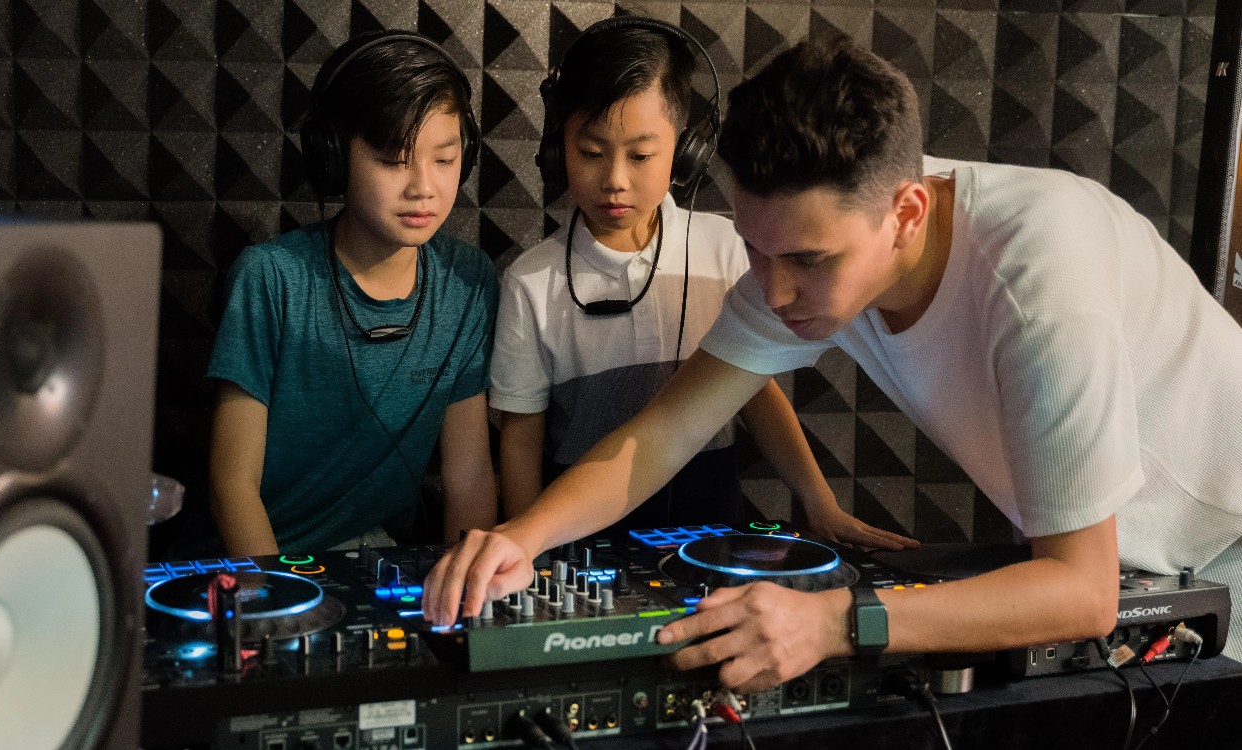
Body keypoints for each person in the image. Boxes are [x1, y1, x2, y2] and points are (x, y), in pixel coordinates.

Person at [423, 36, 1242, 681]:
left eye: (809, 261)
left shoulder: (1039, 285)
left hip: (1225, 548)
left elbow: (1081, 592)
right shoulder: (801, 261)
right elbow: (659, 437)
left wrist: (832, 623)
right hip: (1147, 565)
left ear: (908, 211)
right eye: (753, 248)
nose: (774, 293)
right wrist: (521, 540)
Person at [492, 15, 915, 547]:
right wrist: (526, 546)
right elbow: (520, 434)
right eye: (591, 153)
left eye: (641, 155)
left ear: (687, 151)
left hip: (711, 530)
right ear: (558, 149)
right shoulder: (532, 281)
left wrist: (820, 503)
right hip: (577, 533)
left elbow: (756, 390)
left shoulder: (732, 249)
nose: (615, 179)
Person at [197, 30, 499, 557]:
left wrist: (463, 599)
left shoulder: (468, 282)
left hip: (373, 559)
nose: (423, 187)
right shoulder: (270, 279)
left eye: (444, 160)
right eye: (393, 160)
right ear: (333, 157)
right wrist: (282, 607)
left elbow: (469, 478)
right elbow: (231, 488)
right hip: (257, 565)